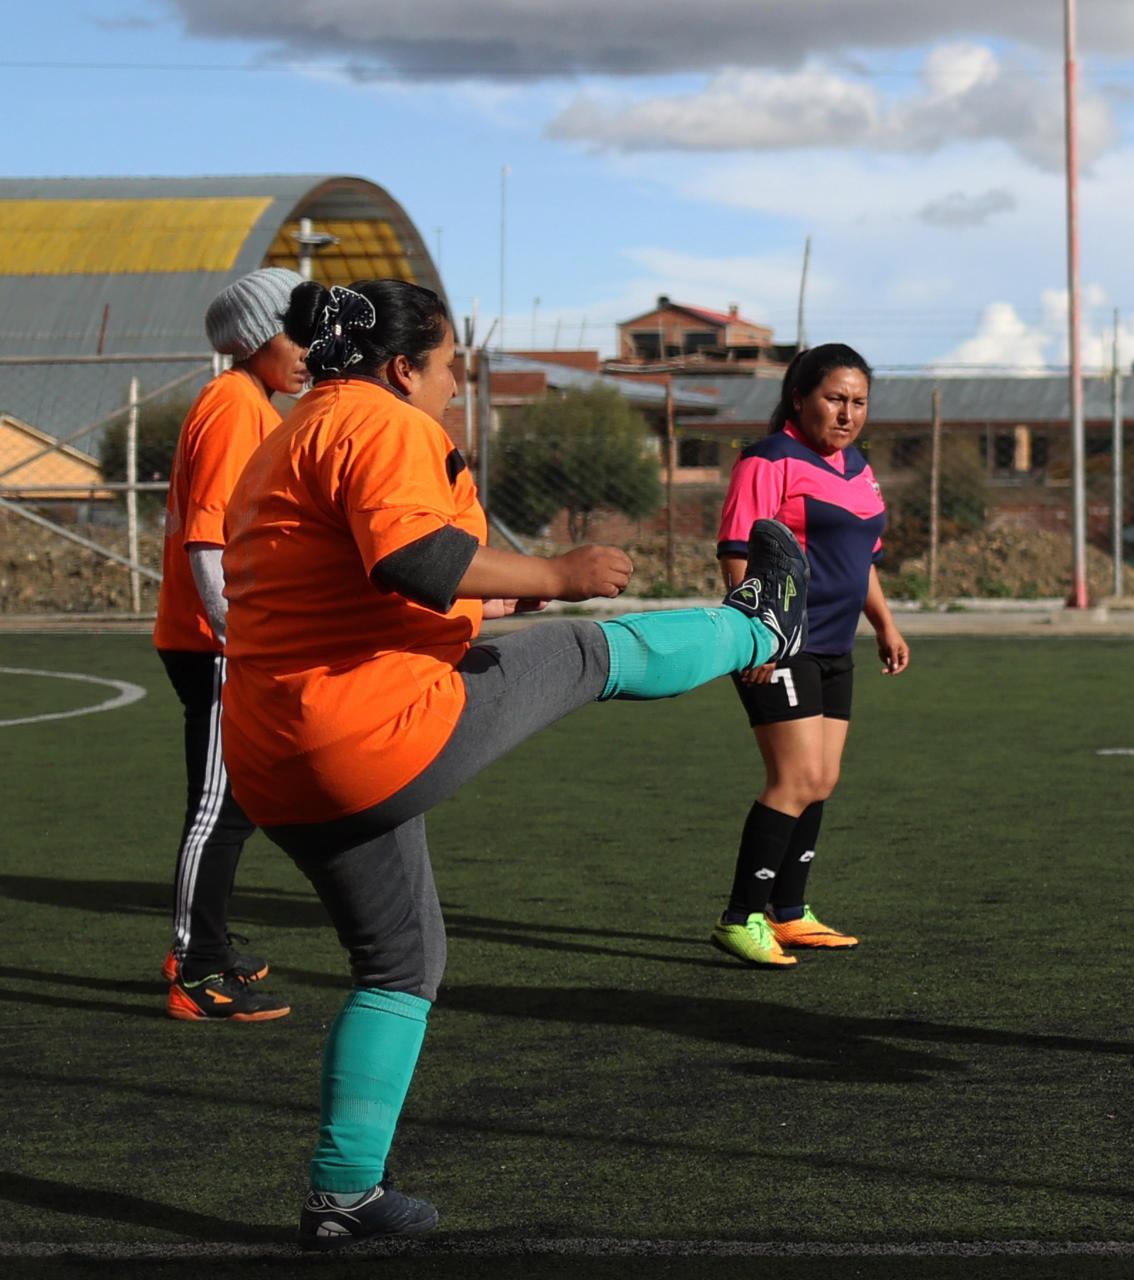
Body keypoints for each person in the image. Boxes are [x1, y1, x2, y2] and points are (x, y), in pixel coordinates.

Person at [218, 279, 809, 1248]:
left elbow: (344, 581)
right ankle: (762, 627)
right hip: (365, 734)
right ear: (404, 366)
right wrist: (554, 575)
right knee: (585, 650)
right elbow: (411, 556)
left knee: (402, 962)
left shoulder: (295, 427)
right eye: (451, 364)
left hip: (277, 760)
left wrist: (482, 602)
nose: (457, 381)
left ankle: (343, 1195)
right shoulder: (381, 418)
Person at [708, 343, 909, 967]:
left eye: (858, 402)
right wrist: (759, 634)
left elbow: (860, 563)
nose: (847, 414)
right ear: (799, 399)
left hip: (834, 645)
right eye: (834, 399)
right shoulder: (769, 461)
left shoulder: (858, 467)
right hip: (782, 644)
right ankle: (740, 919)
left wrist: (885, 623)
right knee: (794, 779)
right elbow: (737, 552)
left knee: (822, 780)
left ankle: (789, 913)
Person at [153, 266, 305, 1022]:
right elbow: (208, 540)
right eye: (295, 332)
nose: (311, 349)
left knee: (233, 803)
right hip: (215, 643)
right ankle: (196, 968)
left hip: (222, 639)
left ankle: (205, 942)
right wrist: (243, 637)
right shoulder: (233, 405)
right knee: (220, 806)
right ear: (252, 341)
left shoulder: (254, 403)